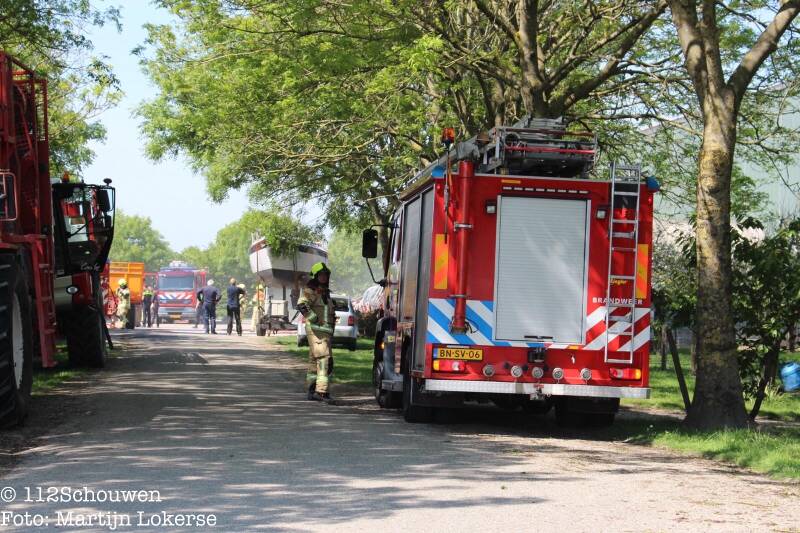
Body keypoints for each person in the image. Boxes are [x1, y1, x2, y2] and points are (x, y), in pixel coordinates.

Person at [297, 262, 336, 402]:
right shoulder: (311, 290)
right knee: (325, 360)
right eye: (321, 275)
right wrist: (314, 319)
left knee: (315, 360)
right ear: (315, 276)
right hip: (316, 331)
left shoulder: (324, 292)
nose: (324, 277)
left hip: (324, 333)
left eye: (325, 275)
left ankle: (312, 390)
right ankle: (321, 392)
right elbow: (302, 304)